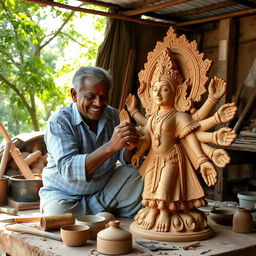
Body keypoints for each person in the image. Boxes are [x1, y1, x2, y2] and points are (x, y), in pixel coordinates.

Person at [130, 49, 236, 232]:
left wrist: (202, 160)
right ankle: (154, 211)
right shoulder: (153, 116)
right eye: (155, 89)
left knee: (165, 189)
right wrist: (139, 153)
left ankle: (164, 213)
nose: (158, 94)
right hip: (154, 159)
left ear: (177, 91)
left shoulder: (179, 116)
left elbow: (190, 138)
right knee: (149, 188)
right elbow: (147, 137)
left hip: (172, 158)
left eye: (164, 89)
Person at [39, 66, 143, 218]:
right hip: (65, 196)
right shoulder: (59, 122)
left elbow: (124, 160)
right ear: (74, 95)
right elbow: (69, 169)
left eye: (103, 97)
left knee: (140, 176)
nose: (98, 103)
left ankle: (94, 213)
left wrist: (129, 148)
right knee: (57, 214)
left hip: (102, 191)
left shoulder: (113, 115)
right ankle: (104, 212)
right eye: (91, 96)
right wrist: (110, 146)